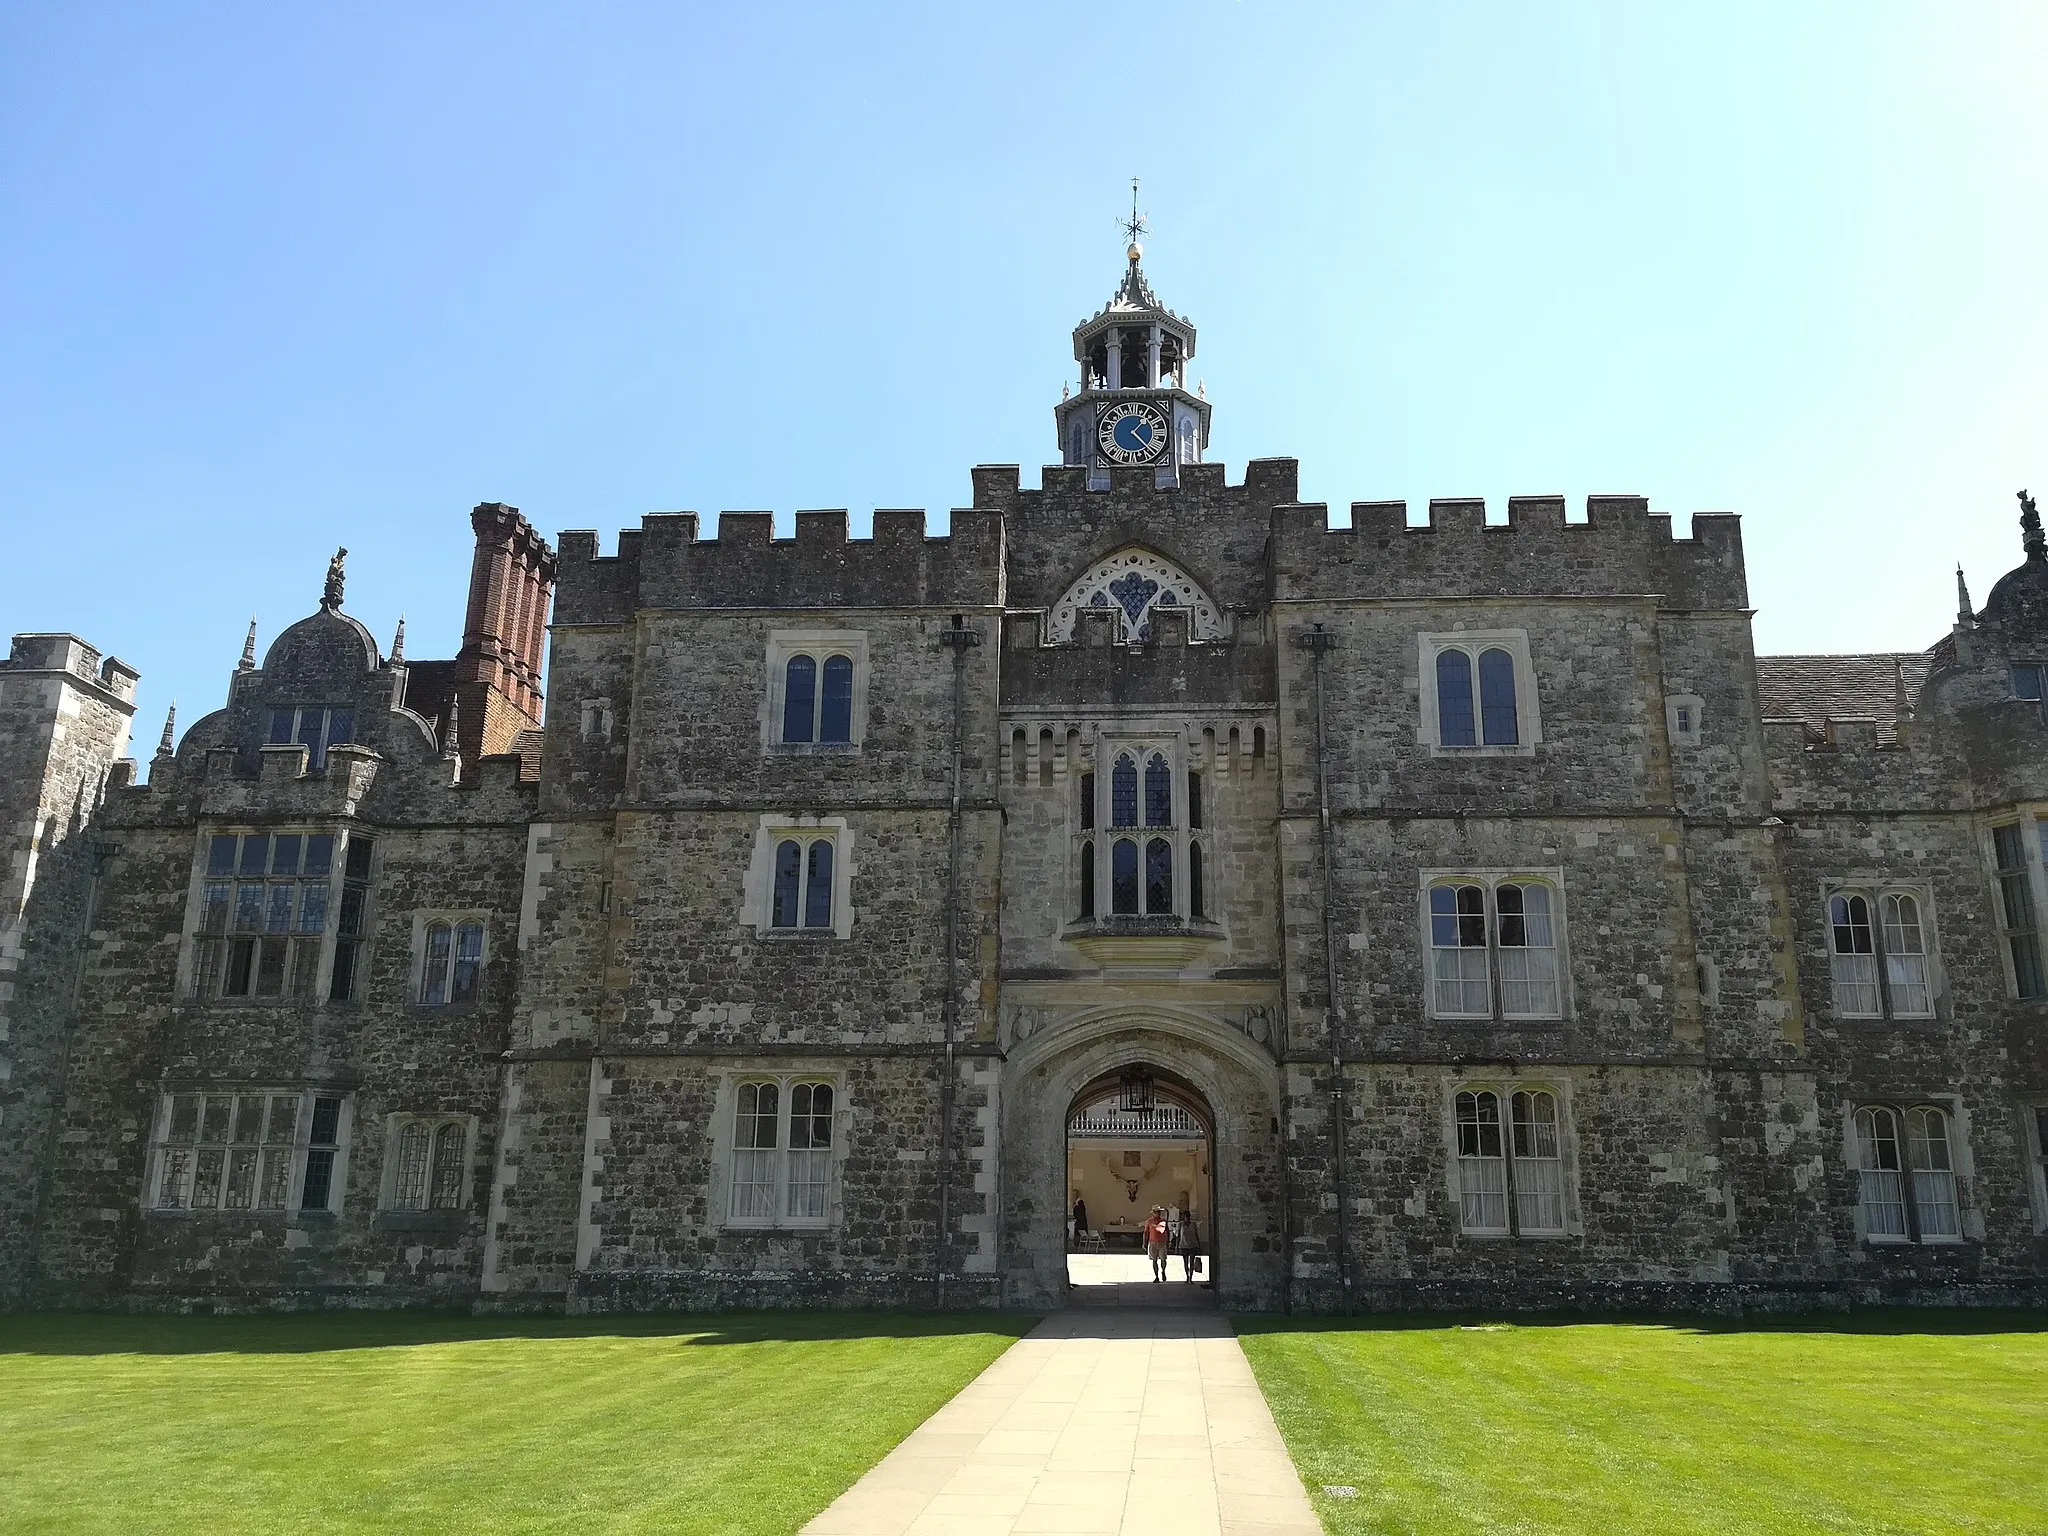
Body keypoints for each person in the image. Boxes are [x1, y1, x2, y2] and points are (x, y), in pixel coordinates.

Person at [1143, 1206, 1170, 1282]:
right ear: (1153, 1213)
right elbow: (1146, 1232)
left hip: (1162, 1241)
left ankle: (1163, 1271)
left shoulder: (1163, 1220)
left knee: (1163, 1259)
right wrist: (1144, 1242)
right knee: (1154, 1260)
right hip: (1153, 1242)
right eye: (1156, 1212)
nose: (1158, 1213)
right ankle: (1156, 1276)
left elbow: (1167, 1231)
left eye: (1159, 1212)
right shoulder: (1149, 1221)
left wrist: (1168, 1241)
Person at [1175, 1208, 1202, 1281]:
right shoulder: (1180, 1224)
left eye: (1188, 1217)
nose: (1187, 1219)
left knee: (1192, 1261)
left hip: (1193, 1245)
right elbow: (1178, 1236)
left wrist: (1199, 1245)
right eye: (1185, 1217)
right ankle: (1187, 1275)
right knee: (1185, 1262)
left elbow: (1196, 1235)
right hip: (1184, 1245)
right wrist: (1176, 1246)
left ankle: (1191, 1277)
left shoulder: (1193, 1224)